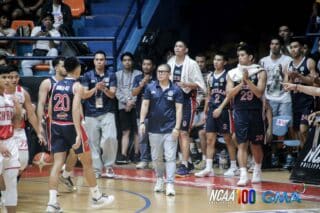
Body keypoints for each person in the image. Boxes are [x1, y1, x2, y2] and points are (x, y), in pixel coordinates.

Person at [46, 57, 114, 212]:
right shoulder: (76, 85)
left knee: (57, 164)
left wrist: (95, 88)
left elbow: (50, 109)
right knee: (87, 162)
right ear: (77, 69)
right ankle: (96, 197)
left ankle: (52, 204)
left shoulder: (55, 84)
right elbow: (76, 109)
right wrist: (78, 132)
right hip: (71, 125)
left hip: (56, 125)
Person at [226, 43, 267, 186]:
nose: (240, 58)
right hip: (240, 112)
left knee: (256, 144)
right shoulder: (232, 73)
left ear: (250, 57)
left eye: (242, 55)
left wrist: (248, 80)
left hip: (256, 111)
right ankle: (243, 174)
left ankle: (257, 169)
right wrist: (241, 83)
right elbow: (229, 94)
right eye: (238, 55)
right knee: (242, 144)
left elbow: (259, 92)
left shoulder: (260, 71)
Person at [139, 64, 183, 196]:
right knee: (156, 157)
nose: (160, 74)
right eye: (158, 71)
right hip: (153, 128)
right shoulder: (150, 87)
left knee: (170, 157)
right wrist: (142, 122)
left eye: (163, 72)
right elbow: (145, 104)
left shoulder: (176, 89)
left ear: (169, 74)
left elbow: (179, 109)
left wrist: (177, 127)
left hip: (170, 128)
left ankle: (170, 183)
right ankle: (159, 179)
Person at [37, 56, 77, 192]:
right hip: (53, 121)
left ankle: (65, 175)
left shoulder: (72, 82)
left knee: (76, 150)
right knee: (57, 156)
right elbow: (41, 104)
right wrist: (38, 125)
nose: (65, 68)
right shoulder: (47, 82)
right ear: (55, 67)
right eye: (62, 65)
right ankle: (55, 189)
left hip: (71, 121)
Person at [195, 52, 238, 178]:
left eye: (219, 60)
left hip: (224, 110)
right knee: (209, 139)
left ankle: (234, 167)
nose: (216, 62)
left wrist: (220, 108)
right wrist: (206, 111)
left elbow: (230, 95)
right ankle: (209, 168)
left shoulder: (228, 76)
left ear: (224, 62)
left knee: (228, 139)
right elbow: (208, 95)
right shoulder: (209, 77)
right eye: (214, 59)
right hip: (212, 110)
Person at [167, 41, 206, 176]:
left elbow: (201, 85)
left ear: (186, 50)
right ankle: (187, 161)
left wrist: (186, 84)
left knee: (184, 132)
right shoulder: (170, 62)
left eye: (180, 46)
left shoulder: (192, 64)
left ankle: (184, 164)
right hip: (173, 100)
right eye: (176, 46)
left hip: (187, 99)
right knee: (177, 132)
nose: (177, 48)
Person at [82, 51, 118, 178]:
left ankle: (108, 166)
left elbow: (112, 95)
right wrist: (95, 88)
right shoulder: (87, 75)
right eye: (97, 59)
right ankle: (96, 169)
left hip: (107, 111)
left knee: (110, 138)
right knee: (92, 142)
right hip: (91, 113)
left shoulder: (111, 75)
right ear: (94, 61)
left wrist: (104, 89)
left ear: (105, 61)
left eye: (102, 59)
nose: (99, 61)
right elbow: (84, 95)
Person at [4, 65, 44, 175]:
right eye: (11, 77)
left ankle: (11, 186)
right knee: (6, 164)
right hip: (4, 133)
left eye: (16, 77)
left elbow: (31, 114)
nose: (14, 79)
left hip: (19, 131)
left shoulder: (22, 92)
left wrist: (38, 133)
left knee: (22, 163)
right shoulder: (2, 93)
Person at [284, 38, 317, 147]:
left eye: (296, 47)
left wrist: (299, 76)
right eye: (291, 47)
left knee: (304, 129)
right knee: (298, 132)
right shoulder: (288, 65)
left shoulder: (309, 61)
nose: (293, 49)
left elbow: (313, 82)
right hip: (294, 101)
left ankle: (310, 152)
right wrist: (292, 79)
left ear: (302, 48)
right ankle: (302, 156)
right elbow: (285, 86)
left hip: (307, 100)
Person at [0, 65, 21, 213]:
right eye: (4, 77)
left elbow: (17, 123)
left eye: (9, 77)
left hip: (10, 142)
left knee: (12, 182)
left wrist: (18, 107)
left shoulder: (9, 99)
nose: (8, 80)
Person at [116, 52, 141, 164]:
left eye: (129, 60)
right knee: (125, 131)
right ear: (122, 62)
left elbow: (139, 90)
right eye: (125, 60)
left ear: (132, 61)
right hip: (123, 106)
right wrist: (126, 102)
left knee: (137, 131)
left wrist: (132, 102)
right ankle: (123, 155)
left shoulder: (138, 73)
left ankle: (136, 154)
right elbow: (117, 91)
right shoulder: (117, 75)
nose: (127, 62)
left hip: (136, 106)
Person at [259, 36, 292, 118]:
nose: (274, 46)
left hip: (284, 98)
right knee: (271, 126)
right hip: (268, 98)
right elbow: (260, 81)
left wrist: (281, 73)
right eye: (272, 44)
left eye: (277, 44)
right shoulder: (263, 61)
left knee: (284, 126)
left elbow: (290, 81)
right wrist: (262, 98)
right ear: (270, 46)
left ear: (281, 46)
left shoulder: (288, 60)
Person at [132, 56, 156, 169]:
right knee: (143, 138)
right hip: (141, 113)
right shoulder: (137, 78)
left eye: (148, 64)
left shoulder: (158, 78)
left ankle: (156, 160)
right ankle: (144, 160)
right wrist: (142, 83)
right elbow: (133, 93)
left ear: (153, 66)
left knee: (156, 138)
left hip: (156, 113)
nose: (146, 66)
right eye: (144, 64)